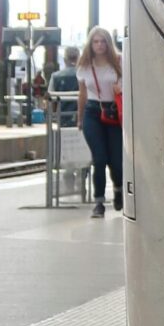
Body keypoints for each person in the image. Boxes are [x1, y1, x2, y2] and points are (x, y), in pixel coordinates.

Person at [76, 27, 123, 217]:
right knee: (100, 158)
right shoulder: (84, 66)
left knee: (116, 160)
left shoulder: (119, 62)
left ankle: (119, 190)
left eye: (103, 41)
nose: (99, 45)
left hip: (113, 112)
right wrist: (79, 118)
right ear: (90, 44)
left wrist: (121, 87)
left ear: (108, 43)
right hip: (93, 113)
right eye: (95, 42)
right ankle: (99, 202)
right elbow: (82, 94)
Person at [49, 47, 80, 127]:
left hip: (62, 117)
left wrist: (53, 115)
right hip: (81, 117)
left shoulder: (55, 76)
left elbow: (51, 98)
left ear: (64, 60)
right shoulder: (84, 75)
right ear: (78, 59)